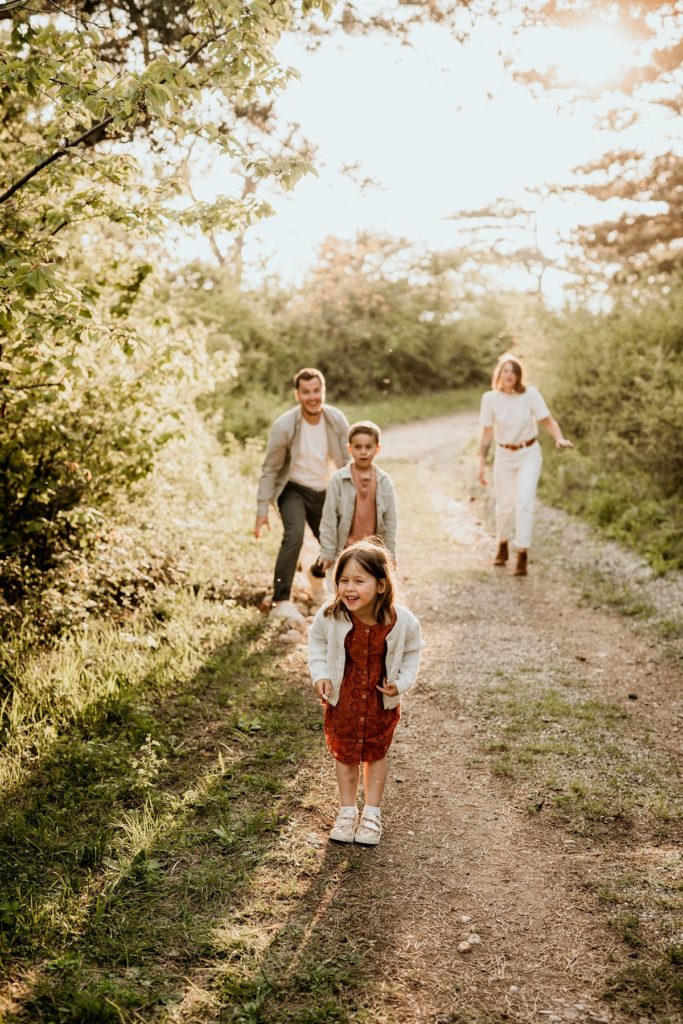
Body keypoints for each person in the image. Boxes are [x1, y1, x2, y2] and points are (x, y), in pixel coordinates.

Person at [308, 539, 422, 846]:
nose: (349, 588)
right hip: (343, 698)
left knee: (375, 752)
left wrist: (401, 682)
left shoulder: (402, 621)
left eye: (359, 581)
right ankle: (347, 811)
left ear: (381, 585)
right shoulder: (331, 615)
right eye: (343, 580)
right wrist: (319, 674)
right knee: (345, 754)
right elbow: (317, 643)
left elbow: (413, 652)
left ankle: (371, 813)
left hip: (379, 700)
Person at [254, 368, 349, 622]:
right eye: (306, 392)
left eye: (316, 391)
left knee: (336, 543)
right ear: (297, 395)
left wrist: (354, 500)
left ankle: (319, 576)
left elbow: (347, 463)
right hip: (293, 488)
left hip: (325, 490)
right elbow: (271, 468)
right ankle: (281, 600)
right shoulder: (285, 425)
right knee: (294, 535)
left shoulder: (336, 420)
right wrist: (262, 509)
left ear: (323, 391)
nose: (312, 397)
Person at [478, 352, 573, 576]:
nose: (509, 374)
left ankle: (522, 552)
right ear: (499, 375)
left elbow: (547, 420)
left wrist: (559, 438)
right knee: (504, 505)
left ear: (519, 375)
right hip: (504, 455)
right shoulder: (490, 399)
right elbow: (486, 435)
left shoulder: (530, 395)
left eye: (513, 371)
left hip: (529, 453)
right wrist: (480, 465)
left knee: (525, 502)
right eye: (505, 370)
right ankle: (502, 543)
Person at [316, 420, 397, 572]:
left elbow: (391, 523)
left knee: (369, 592)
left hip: (372, 554)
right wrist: (327, 552)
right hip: (344, 552)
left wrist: (390, 555)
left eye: (368, 447)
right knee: (341, 591)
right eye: (358, 447)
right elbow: (328, 519)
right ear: (349, 449)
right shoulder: (338, 480)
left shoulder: (384, 482)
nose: (363, 452)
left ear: (377, 448)